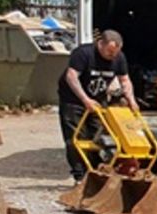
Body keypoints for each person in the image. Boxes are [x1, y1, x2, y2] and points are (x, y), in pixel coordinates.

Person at [58, 29, 139, 177]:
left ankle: (99, 172)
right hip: (74, 100)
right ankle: (80, 175)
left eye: (115, 53)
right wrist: (85, 100)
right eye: (109, 52)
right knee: (76, 138)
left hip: (98, 101)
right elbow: (71, 77)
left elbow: (125, 80)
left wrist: (131, 100)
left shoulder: (119, 58)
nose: (112, 56)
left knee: (101, 137)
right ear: (100, 44)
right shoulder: (83, 53)